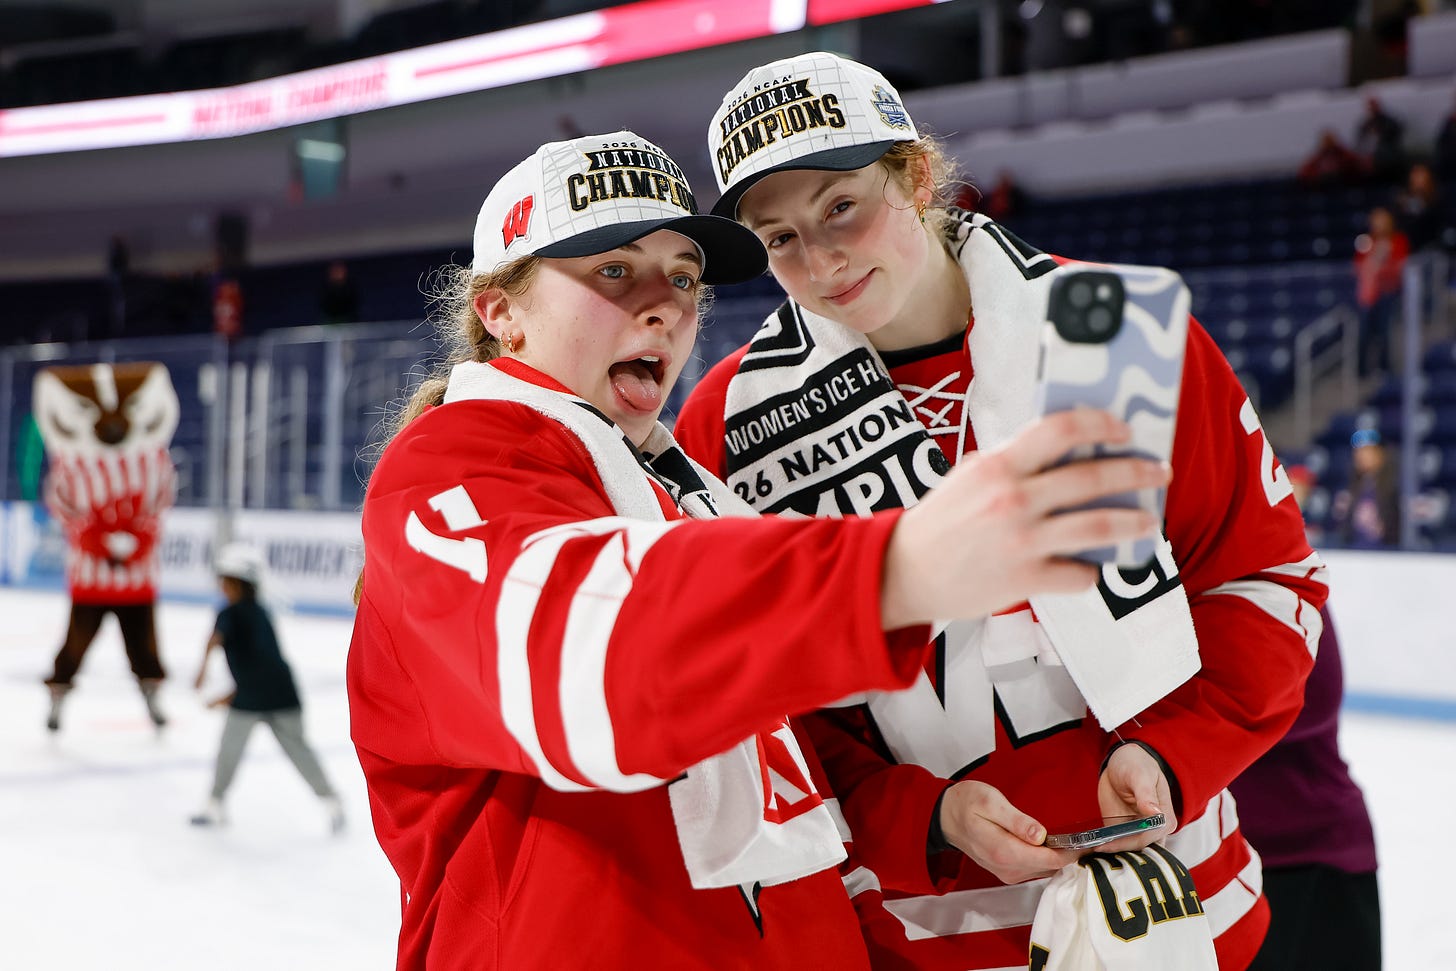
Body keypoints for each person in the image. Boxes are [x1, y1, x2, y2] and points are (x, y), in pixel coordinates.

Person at [345, 129, 1168, 969]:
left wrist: (928, 818)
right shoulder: (446, 469)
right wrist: (892, 569)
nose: (664, 304)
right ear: (501, 312)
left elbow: (791, 801)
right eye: (614, 271)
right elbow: (599, 659)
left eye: (683, 276)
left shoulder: (686, 496)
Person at [677, 52, 1328, 970]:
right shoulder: (730, 425)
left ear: (915, 175)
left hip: (1181, 912)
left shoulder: (1116, 332)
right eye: (779, 238)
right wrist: (925, 819)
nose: (820, 261)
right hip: (918, 939)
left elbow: (1264, 578)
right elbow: (761, 715)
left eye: (840, 208)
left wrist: (1176, 754)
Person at [1230, 469, 1381, 970]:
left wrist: (1199, 719)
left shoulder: (1287, 573)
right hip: (1223, 865)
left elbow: (1316, 703)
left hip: (1318, 853)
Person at [34, 361, 179, 733]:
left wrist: (137, 541)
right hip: (90, 581)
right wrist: (99, 543)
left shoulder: (153, 461)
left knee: (144, 649)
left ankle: (152, 699)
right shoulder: (71, 464)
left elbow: (160, 506)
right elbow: (63, 508)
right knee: (74, 648)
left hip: (137, 580)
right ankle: (58, 698)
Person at [191, 542, 344, 833]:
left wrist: (214, 685)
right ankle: (331, 800)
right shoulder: (259, 612)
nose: (221, 585)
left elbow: (222, 643)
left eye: (224, 579)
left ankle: (214, 803)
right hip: (282, 694)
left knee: (231, 751)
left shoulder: (231, 615)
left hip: (257, 695)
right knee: (298, 752)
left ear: (236, 582)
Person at [1353, 205, 1409, 376]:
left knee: (1385, 332)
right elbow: (1358, 267)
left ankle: (1385, 368)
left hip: (1389, 293)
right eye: (1375, 221)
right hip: (1369, 295)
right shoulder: (1366, 241)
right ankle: (1361, 370)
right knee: (1363, 332)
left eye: (1382, 220)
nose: (1378, 224)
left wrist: (1380, 268)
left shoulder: (1398, 240)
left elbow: (1399, 268)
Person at [1330, 427, 1401, 548]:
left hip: (1385, 556)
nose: (1360, 456)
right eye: (1358, 451)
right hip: (1356, 554)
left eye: (1367, 451)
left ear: (1380, 454)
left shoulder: (1394, 487)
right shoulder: (1353, 486)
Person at [1354, 96, 1406, 183]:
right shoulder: (1365, 125)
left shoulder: (1388, 122)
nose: (1372, 108)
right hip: (1370, 161)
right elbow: (1360, 143)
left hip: (1387, 160)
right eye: (1370, 106)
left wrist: (1381, 133)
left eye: (1374, 105)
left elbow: (1395, 134)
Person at [1296, 129, 1370, 188]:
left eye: (1330, 141)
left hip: (1344, 184)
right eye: (1326, 142)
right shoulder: (1319, 157)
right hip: (1324, 187)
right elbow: (1304, 173)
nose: (1328, 144)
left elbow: (1358, 166)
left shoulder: (1343, 154)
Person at [319, 259, 361, 324]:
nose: (337, 273)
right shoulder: (325, 290)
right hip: (330, 321)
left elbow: (353, 306)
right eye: (335, 271)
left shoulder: (350, 288)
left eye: (340, 271)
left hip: (349, 321)